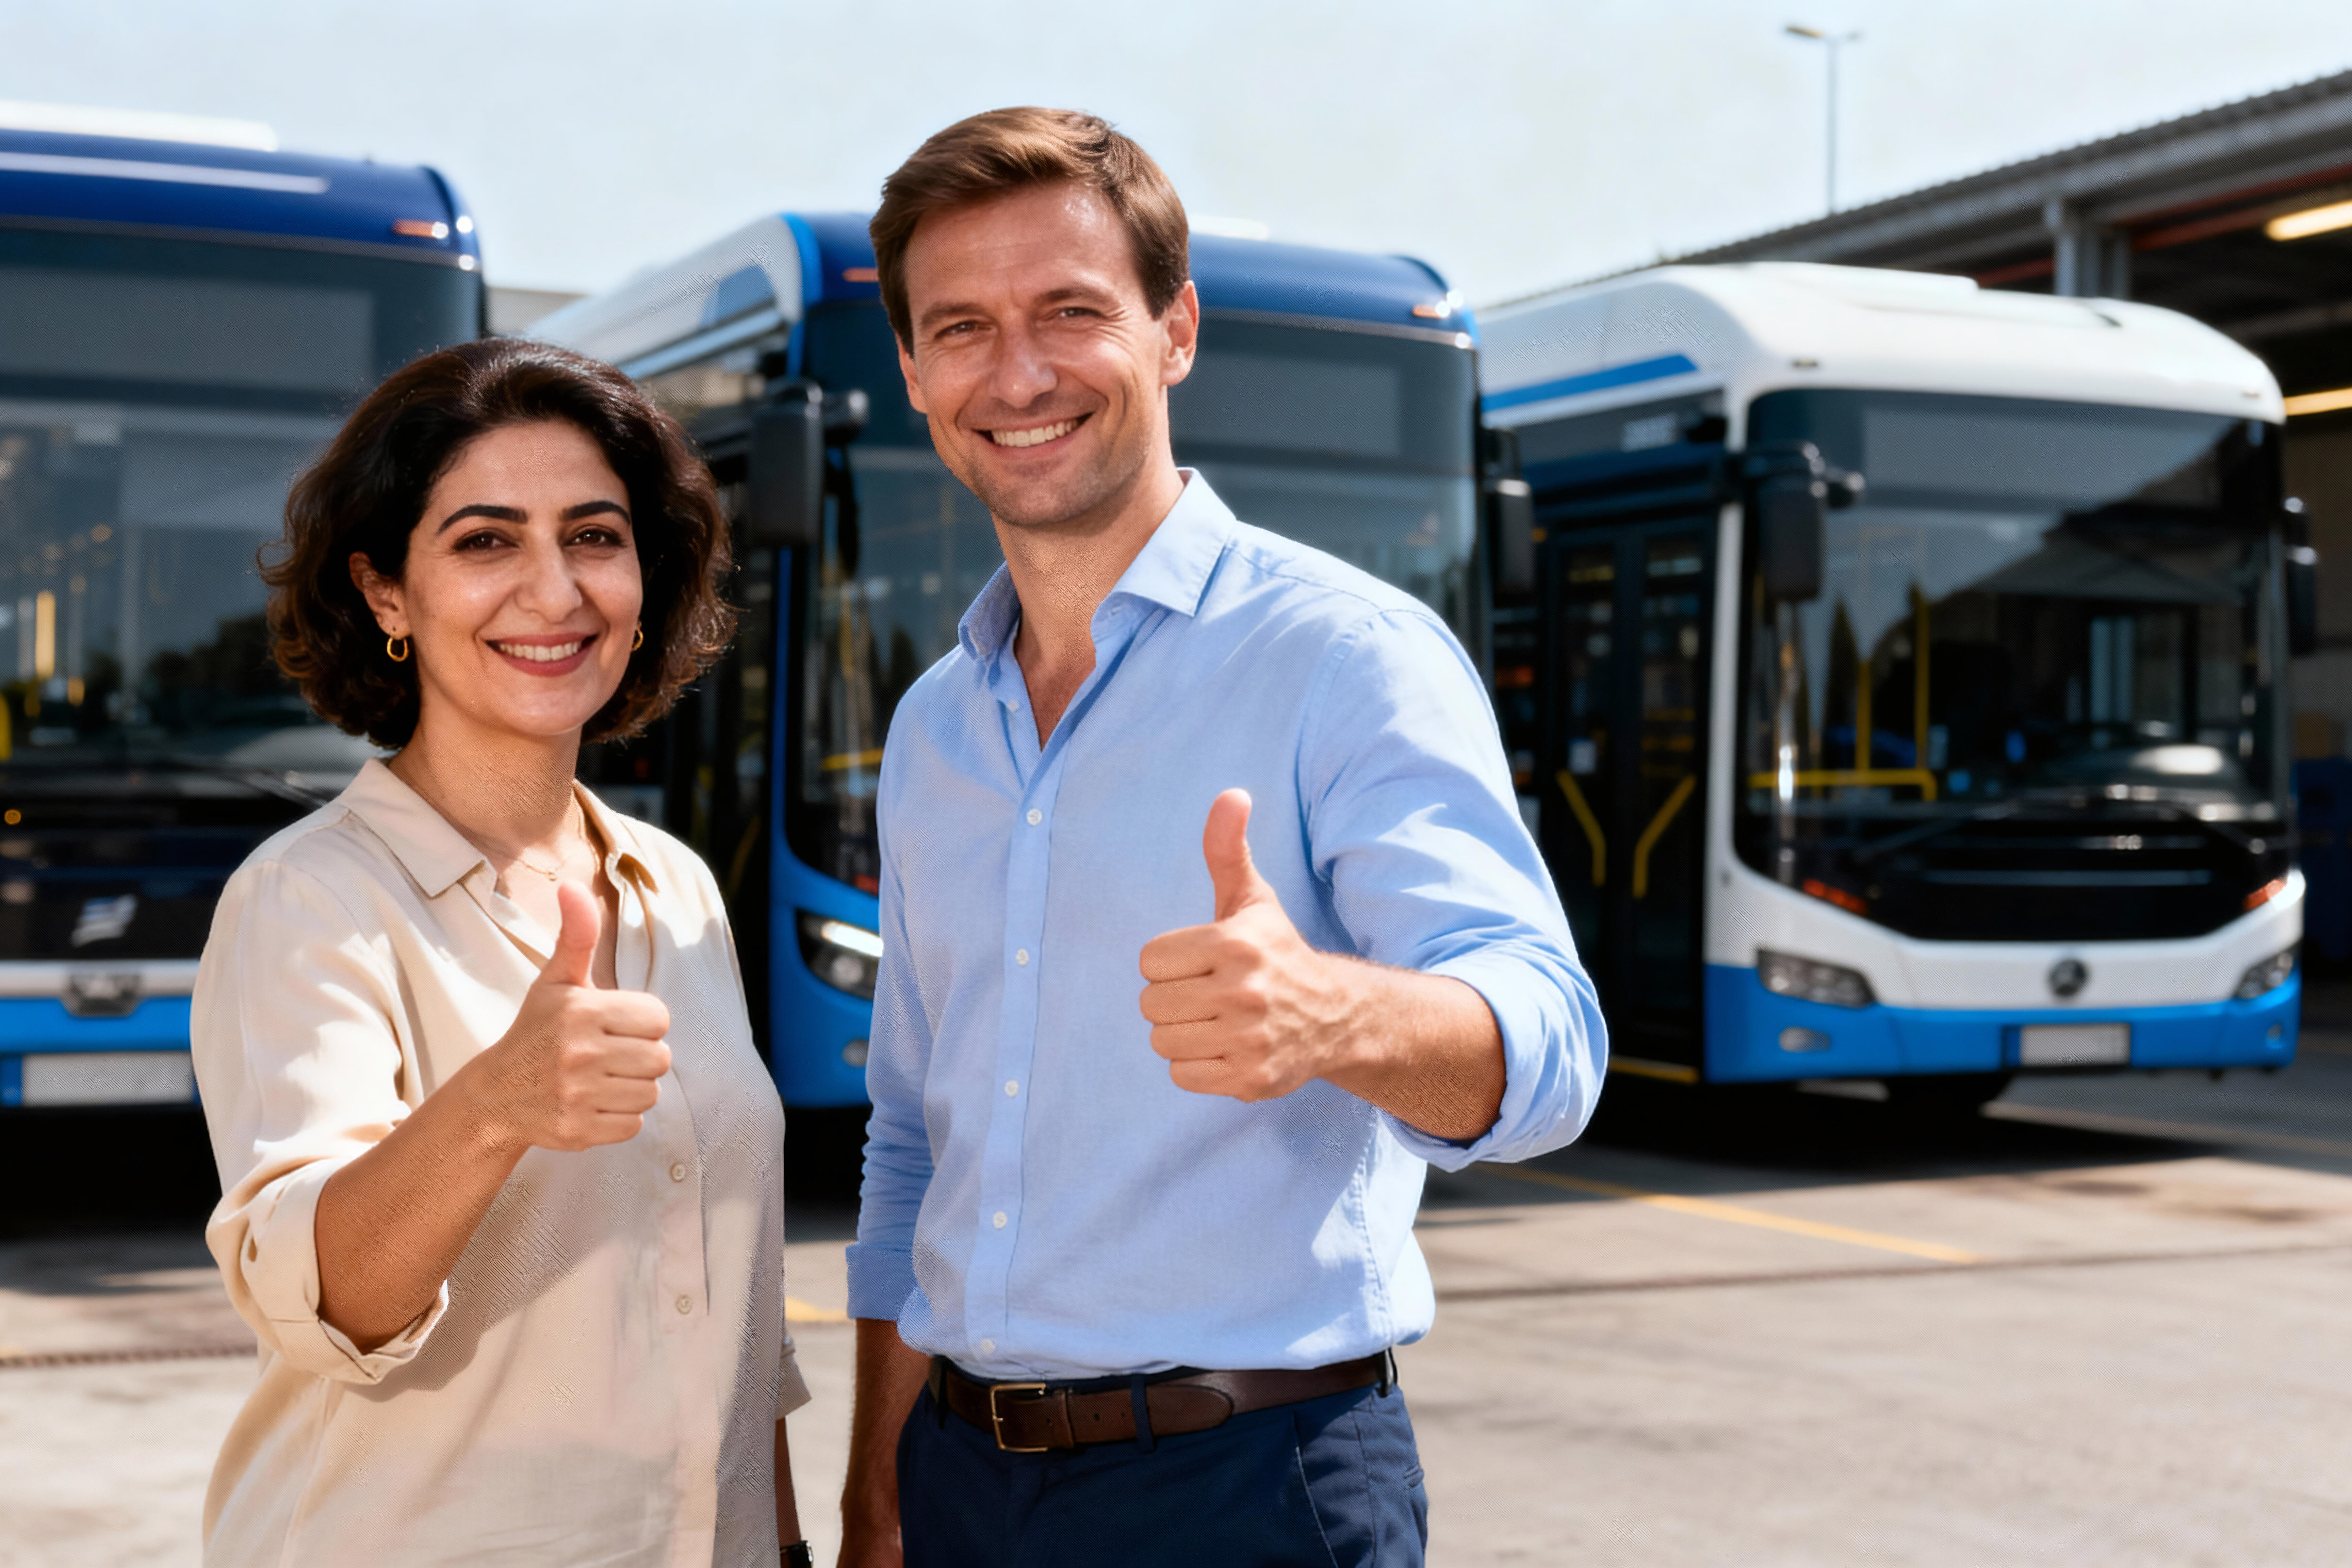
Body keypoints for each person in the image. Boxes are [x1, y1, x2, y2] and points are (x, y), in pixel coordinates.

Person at [838, 108, 1607, 1567]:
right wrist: (878, 1493)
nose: (1019, 374)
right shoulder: (936, 726)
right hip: (956, 1481)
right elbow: (910, 1142)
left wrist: (1334, 1015)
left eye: (1072, 312)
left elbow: (1554, 1049)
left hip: (1246, 1487)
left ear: (1175, 330)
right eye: (963, 329)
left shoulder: (1348, 657)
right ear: (915, 373)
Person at [192, 338, 814, 1567]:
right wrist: (492, 1107)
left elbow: (733, 1307)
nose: (554, 589)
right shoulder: (307, 899)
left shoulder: (677, 888)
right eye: (485, 541)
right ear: (386, 594)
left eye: (594, 536)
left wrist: (785, 1548)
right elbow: (325, 1302)